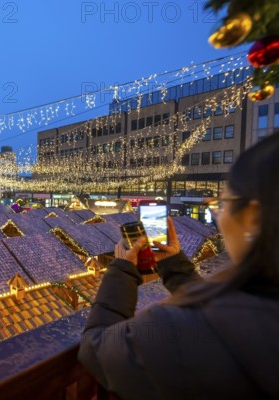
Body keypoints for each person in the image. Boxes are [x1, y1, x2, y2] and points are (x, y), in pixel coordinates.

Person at [78, 133, 279, 400]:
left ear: (253, 217)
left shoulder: (176, 332)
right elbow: (223, 318)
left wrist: (122, 270)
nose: (218, 215)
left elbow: (96, 350)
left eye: (224, 204)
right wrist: (175, 266)